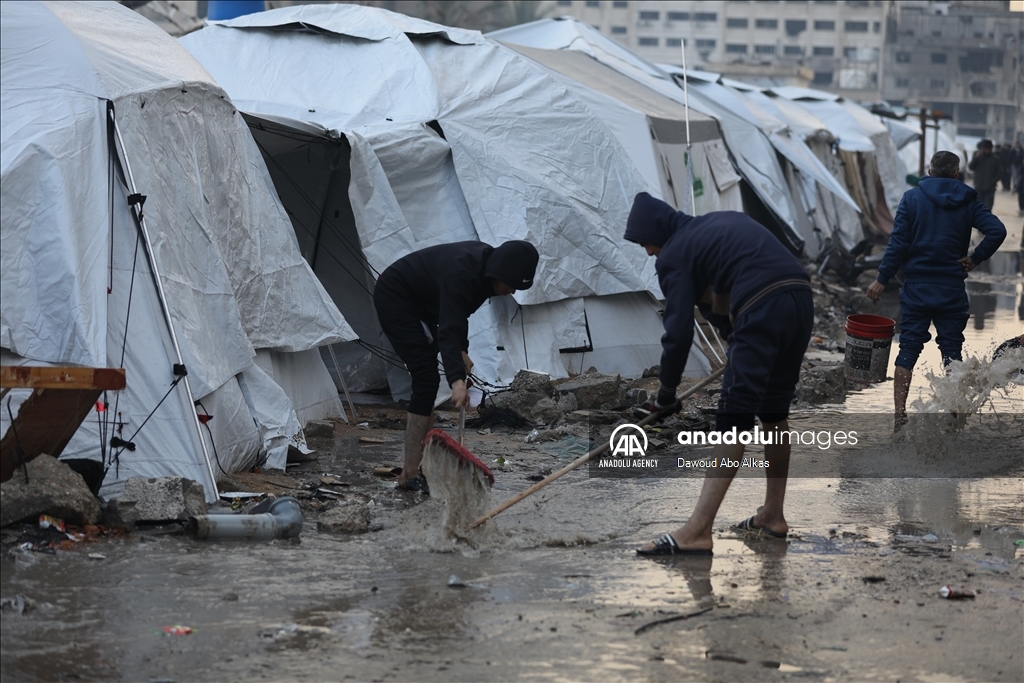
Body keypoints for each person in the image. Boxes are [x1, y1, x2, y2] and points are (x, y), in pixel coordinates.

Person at [625, 192, 814, 556]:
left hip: (761, 302)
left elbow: (678, 333)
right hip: (800, 297)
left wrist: (665, 396)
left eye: (645, 243)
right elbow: (720, 304)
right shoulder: (715, 227)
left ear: (658, 232)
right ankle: (773, 515)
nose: (648, 252)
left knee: (733, 417)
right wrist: (737, 344)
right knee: (773, 412)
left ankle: (697, 531)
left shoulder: (674, 254)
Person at [373, 240, 539, 492]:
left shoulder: (484, 274)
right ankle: (409, 473)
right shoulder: (463, 273)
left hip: (425, 302)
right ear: (501, 271)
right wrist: (457, 381)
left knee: (428, 382)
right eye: (511, 283)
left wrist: (462, 349)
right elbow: (449, 327)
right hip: (396, 296)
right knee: (426, 378)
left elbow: (458, 314)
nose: (512, 291)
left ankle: (422, 466)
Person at [866, 151, 1006, 429]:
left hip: (916, 288)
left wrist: (881, 279)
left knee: (908, 350)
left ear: (929, 171)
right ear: (955, 173)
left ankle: (899, 416)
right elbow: (997, 231)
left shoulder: (911, 198)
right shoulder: (968, 199)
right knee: (952, 353)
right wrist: (975, 258)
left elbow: (898, 244)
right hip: (951, 288)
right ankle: (953, 419)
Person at [967, 139, 1003, 211]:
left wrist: (992, 182)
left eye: (989, 148)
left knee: (987, 208)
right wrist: (976, 158)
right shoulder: (977, 156)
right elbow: (971, 167)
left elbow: (999, 173)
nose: (987, 150)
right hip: (979, 186)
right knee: (977, 208)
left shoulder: (995, 159)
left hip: (990, 188)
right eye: (986, 148)